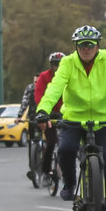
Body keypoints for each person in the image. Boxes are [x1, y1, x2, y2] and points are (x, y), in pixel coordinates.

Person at [34, 26, 106, 211]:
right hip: (74, 119)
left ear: (97, 46)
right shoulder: (67, 63)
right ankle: (69, 184)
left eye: (90, 45)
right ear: (75, 46)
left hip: (103, 120)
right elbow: (54, 89)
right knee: (66, 150)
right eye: (81, 45)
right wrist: (43, 110)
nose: (86, 48)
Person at [32, 52, 64, 181]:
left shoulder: (70, 75)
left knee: (67, 143)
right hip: (49, 113)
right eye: (55, 64)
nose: (57, 67)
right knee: (51, 142)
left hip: (65, 112)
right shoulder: (44, 76)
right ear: (51, 65)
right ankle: (45, 172)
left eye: (60, 64)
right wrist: (42, 113)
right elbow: (39, 94)